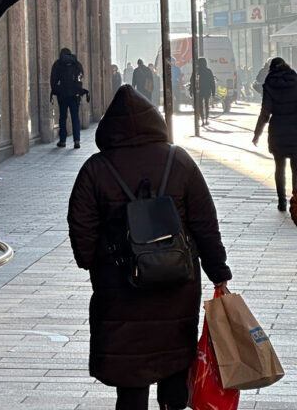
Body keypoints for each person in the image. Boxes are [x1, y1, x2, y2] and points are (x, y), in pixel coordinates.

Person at [67, 85, 232, 410]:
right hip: (177, 286)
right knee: (174, 373)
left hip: (120, 291)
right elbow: (204, 222)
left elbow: (81, 229)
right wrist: (218, 272)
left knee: (130, 386)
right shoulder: (179, 161)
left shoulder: (96, 169)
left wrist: (95, 262)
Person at [252, 57, 297, 213]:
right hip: (295, 131)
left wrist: (257, 133)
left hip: (277, 131)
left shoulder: (270, 84)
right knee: (296, 169)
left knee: (279, 168)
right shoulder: (295, 81)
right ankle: (295, 200)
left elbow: (265, 112)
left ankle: (281, 202)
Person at [50, 47, 85, 148]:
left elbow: (53, 80)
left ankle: (63, 141)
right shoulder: (76, 64)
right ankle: (77, 141)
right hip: (75, 95)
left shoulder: (58, 64)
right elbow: (81, 77)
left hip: (62, 95)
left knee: (62, 117)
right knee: (75, 117)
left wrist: (56, 91)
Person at [190, 57, 215, 125]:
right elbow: (212, 82)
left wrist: (191, 91)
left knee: (200, 105)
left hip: (199, 91)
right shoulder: (208, 71)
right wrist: (213, 92)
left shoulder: (196, 71)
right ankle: (206, 119)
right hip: (207, 90)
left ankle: (202, 120)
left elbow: (192, 81)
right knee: (206, 105)